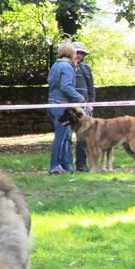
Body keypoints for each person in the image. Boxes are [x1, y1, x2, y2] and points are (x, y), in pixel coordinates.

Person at [47, 42, 86, 174]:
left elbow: (51, 82)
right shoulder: (67, 67)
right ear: (71, 53)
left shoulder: (56, 65)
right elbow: (66, 87)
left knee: (64, 136)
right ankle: (55, 166)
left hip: (52, 103)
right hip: (61, 105)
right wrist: (79, 97)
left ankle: (65, 165)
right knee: (61, 137)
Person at [72, 41, 96, 172]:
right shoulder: (66, 66)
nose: (79, 55)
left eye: (81, 53)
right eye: (77, 52)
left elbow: (91, 86)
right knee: (66, 137)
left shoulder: (86, 68)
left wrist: (91, 102)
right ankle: (67, 164)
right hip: (69, 106)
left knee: (84, 137)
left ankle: (81, 164)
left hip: (84, 106)